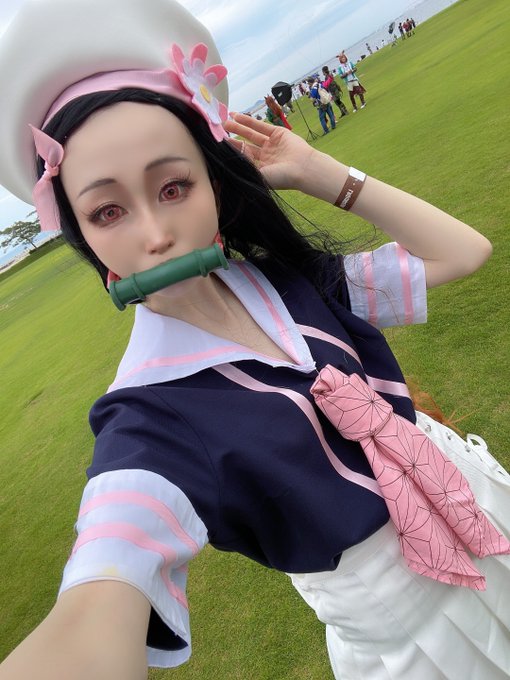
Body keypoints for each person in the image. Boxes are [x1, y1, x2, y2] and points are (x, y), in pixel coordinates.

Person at [0, 1, 509, 679]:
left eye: (173, 186)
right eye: (108, 210)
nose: (156, 234)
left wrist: (320, 173)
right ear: (82, 233)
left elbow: (463, 253)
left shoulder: (294, 282)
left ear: (214, 184)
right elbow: (103, 584)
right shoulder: (149, 420)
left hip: (476, 497)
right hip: (423, 638)